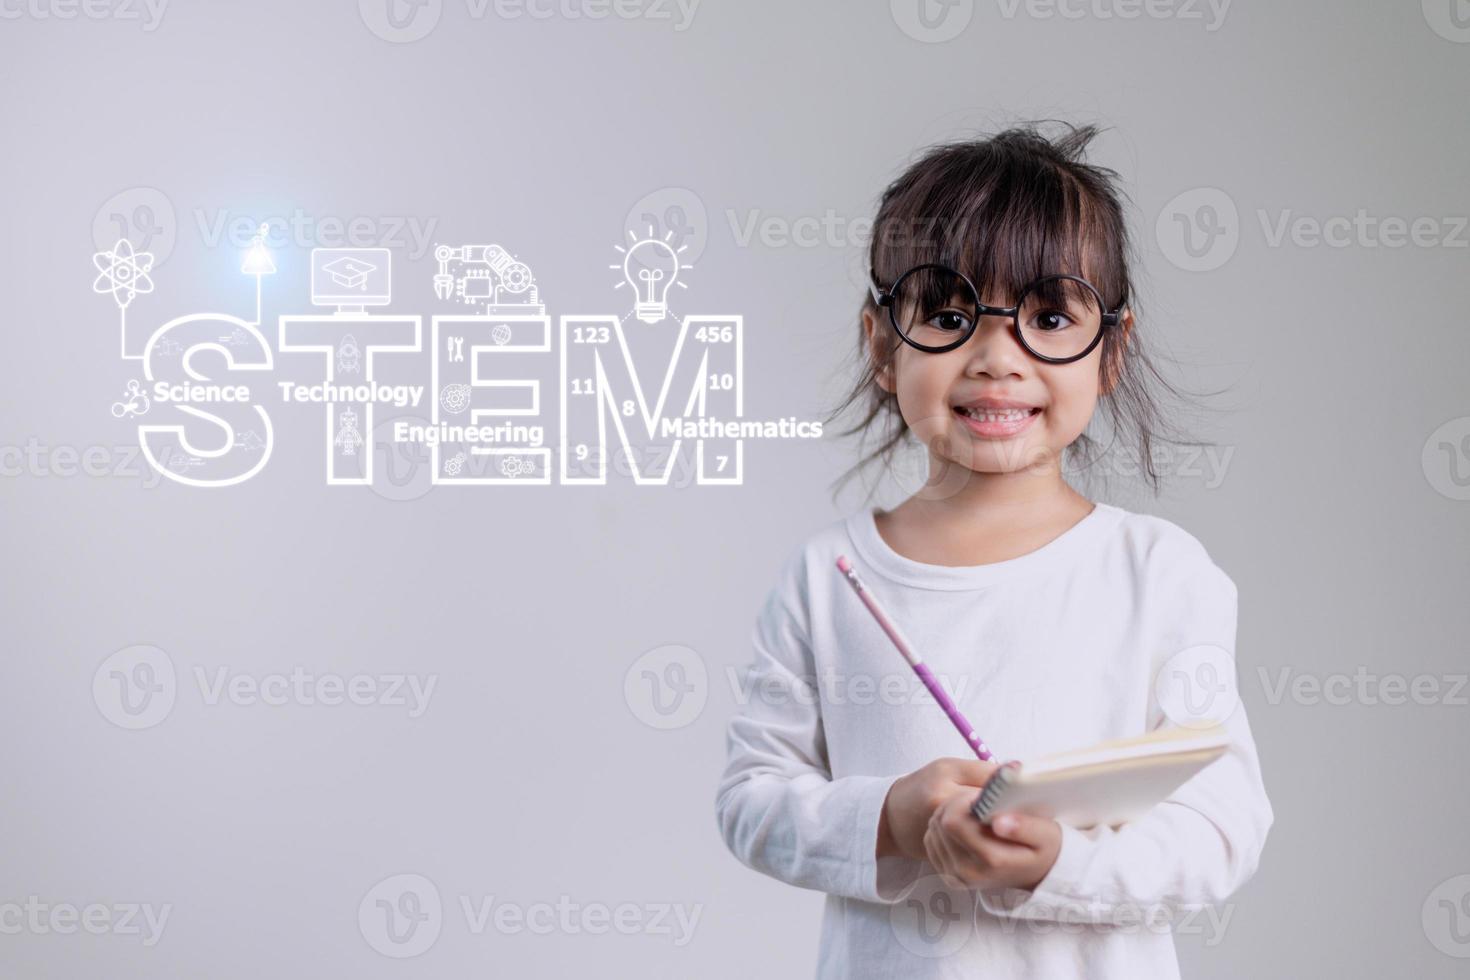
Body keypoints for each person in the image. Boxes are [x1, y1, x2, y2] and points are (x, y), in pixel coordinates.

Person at [714, 122, 1272, 979]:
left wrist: (1058, 864)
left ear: (1111, 350)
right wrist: (891, 821)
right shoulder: (829, 578)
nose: (996, 358)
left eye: (1049, 316)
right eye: (947, 313)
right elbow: (752, 800)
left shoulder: (1159, 574)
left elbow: (1222, 826)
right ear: (880, 344)